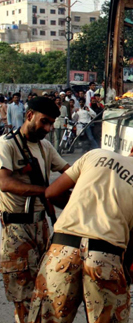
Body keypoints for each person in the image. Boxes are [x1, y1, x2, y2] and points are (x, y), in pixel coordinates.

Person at [27, 133, 133, 323]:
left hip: (63, 250)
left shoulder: (95, 155)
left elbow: (51, 193)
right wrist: (126, 271)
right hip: (105, 257)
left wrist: (81, 203)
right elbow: (130, 248)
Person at [0, 97, 70, 323]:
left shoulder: (44, 146)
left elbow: (68, 171)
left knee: (45, 292)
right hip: (17, 230)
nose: (48, 129)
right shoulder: (7, 144)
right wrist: (45, 191)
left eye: (51, 124)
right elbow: (4, 183)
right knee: (24, 296)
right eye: (44, 122)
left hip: (41, 227)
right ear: (29, 115)